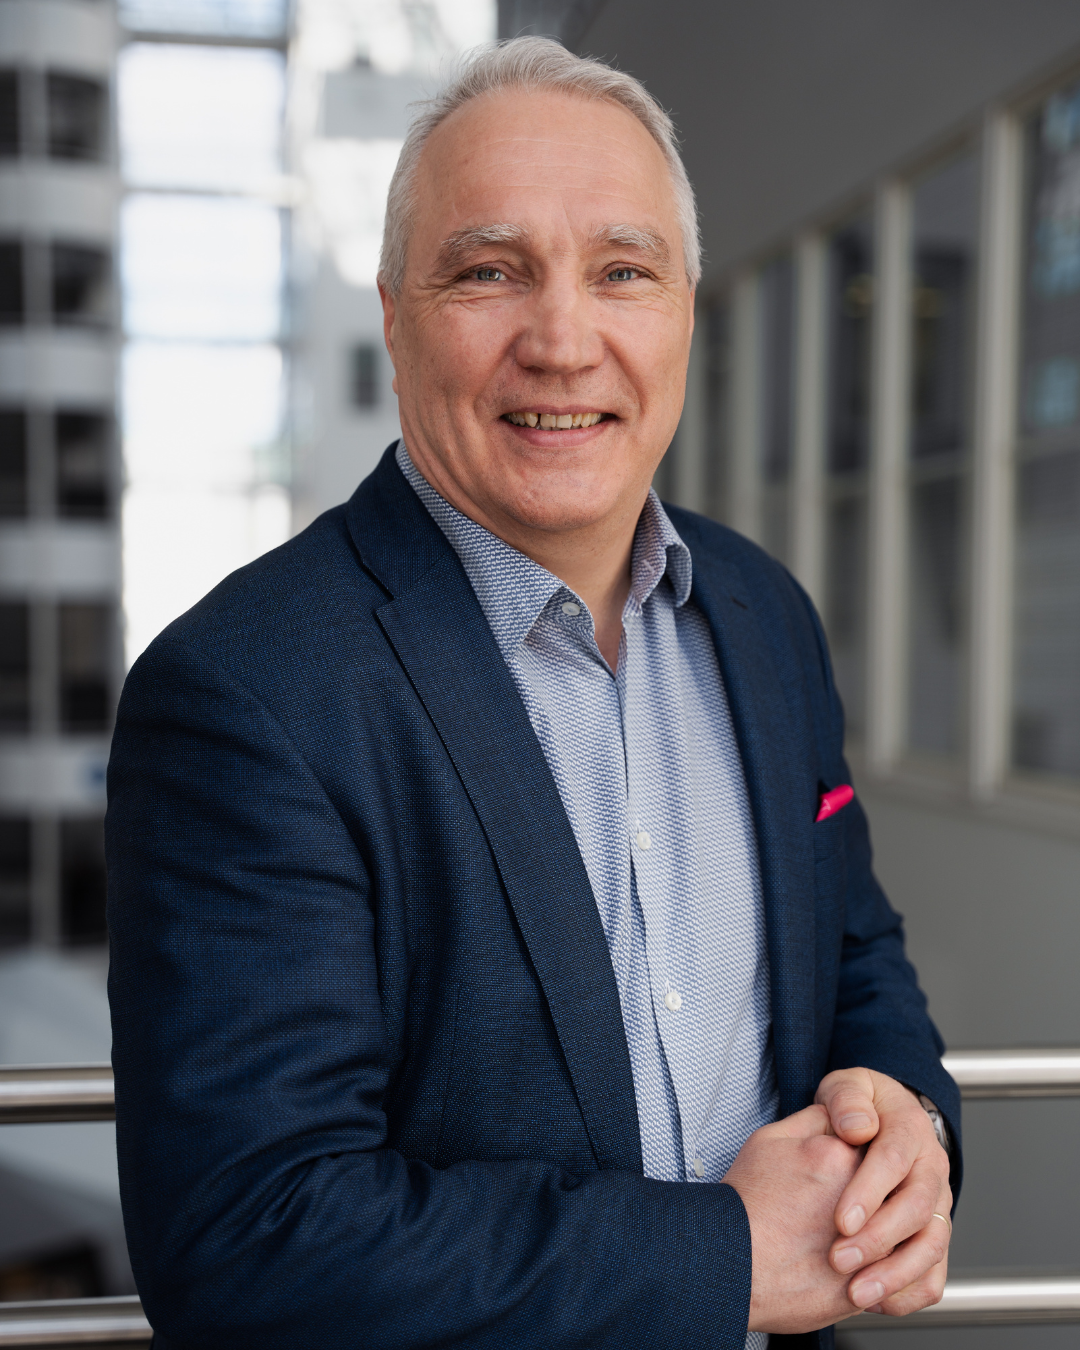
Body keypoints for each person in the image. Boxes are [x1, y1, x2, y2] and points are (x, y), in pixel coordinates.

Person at [106, 37, 960, 1350]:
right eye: (490, 271)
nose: (563, 339)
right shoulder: (245, 692)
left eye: (623, 271)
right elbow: (253, 1235)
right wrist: (723, 1258)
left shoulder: (764, 614)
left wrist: (903, 1112)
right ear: (395, 316)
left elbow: (853, 957)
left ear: (684, 308)